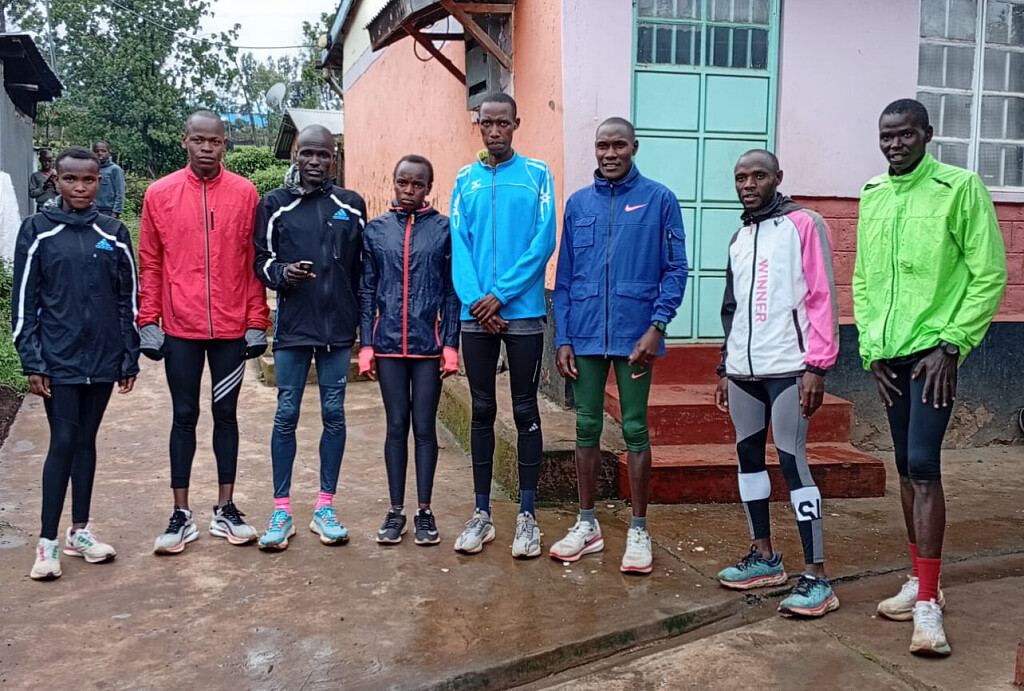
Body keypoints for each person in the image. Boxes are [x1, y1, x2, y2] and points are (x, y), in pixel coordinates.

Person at [853, 99, 1006, 655]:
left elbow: (988, 273)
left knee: (923, 466)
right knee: (903, 468)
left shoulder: (959, 188)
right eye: (886, 135)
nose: (895, 144)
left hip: (932, 356)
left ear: (927, 134)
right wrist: (870, 350)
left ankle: (927, 605)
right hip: (889, 356)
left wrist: (952, 344)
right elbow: (864, 277)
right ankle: (922, 581)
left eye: (905, 134)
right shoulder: (873, 193)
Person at [549, 117, 687, 574]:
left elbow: (676, 269)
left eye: (619, 145)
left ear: (634, 147)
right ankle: (586, 523)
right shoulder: (578, 204)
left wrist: (657, 325)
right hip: (586, 332)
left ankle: (639, 528)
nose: (610, 154)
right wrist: (563, 337)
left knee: (634, 427)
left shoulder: (660, 199)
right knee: (586, 425)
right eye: (602, 146)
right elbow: (565, 278)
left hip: (635, 337)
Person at [712, 150, 841, 618]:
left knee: (792, 461)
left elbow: (822, 295)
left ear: (778, 178)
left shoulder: (804, 224)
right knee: (748, 459)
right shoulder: (739, 237)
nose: (748, 184)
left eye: (758, 176)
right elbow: (731, 308)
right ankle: (764, 556)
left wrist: (817, 367)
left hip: (790, 368)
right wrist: (724, 366)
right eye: (740, 177)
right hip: (744, 372)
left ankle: (817, 577)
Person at [138, 110, 271, 555]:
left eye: (215, 141)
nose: (207, 148)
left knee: (226, 414)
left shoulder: (244, 192)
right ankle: (180, 513)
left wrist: (256, 321)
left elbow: (252, 261)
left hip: (231, 330)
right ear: (185, 141)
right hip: (180, 328)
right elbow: (150, 262)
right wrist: (148, 320)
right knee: (183, 415)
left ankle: (225, 508)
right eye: (199, 140)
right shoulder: (159, 194)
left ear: (224, 144)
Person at [12, 146, 139, 580]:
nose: (80, 187)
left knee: (87, 441)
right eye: (71, 179)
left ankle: (79, 532)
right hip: (58, 357)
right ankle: (46, 542)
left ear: (99, 182)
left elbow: (127, 298)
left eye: (88, 180)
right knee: (63, 441)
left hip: (103, 357)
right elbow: (24, 300)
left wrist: (129, 355)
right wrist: (32, 359)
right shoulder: (38, 231)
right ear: (57, 181)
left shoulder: (114, 232)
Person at [449, 92, 556, 558]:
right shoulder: (464, 180)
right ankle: (481, 514)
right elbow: (459, 243)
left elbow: (543, 240)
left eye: (503, 123)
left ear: (516, 123)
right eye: (487, 123)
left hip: (523, 311)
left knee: (526, 409)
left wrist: (501, 295)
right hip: (475, 314)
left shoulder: (537, 174)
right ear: (478, 124)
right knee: (481, 409)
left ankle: (527, 516)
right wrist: (477, 300)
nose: (495, 131)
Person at [252, 125, 365, 551]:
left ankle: (325, 507)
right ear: (295, 155)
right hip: (293, 329)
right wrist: (283, 273)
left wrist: (362, 324)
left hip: (337, 331)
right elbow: (259, 261)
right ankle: (281, 510)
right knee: (286, 414)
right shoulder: (274, 205)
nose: (315, 161)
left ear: (334, 158)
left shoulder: (351, 205)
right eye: (307, 153)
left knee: (334, 413)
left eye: (323, 154)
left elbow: (361, 270)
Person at [359, 155, 460, 546]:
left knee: (424, 427)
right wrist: (366, 343)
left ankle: (424, 510)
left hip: (428, 346)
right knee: (396, 426)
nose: (409, 190)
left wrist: (450, 343)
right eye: (402, 182)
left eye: (417, 184)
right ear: (394, 183)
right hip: (387, 345)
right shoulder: (376, 231)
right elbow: (367, 290)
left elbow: (451, 291)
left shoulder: (444, 230)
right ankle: (396, 510)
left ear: (428, 188)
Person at [92, 141, 125, 219]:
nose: (100, 153)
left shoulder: (115, 169)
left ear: (108, 153)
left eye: (103, 151)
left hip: (108, 211)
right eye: (97, 151)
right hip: (91, 210)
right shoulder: (90, 169)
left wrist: (116, 211)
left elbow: (120, 192)